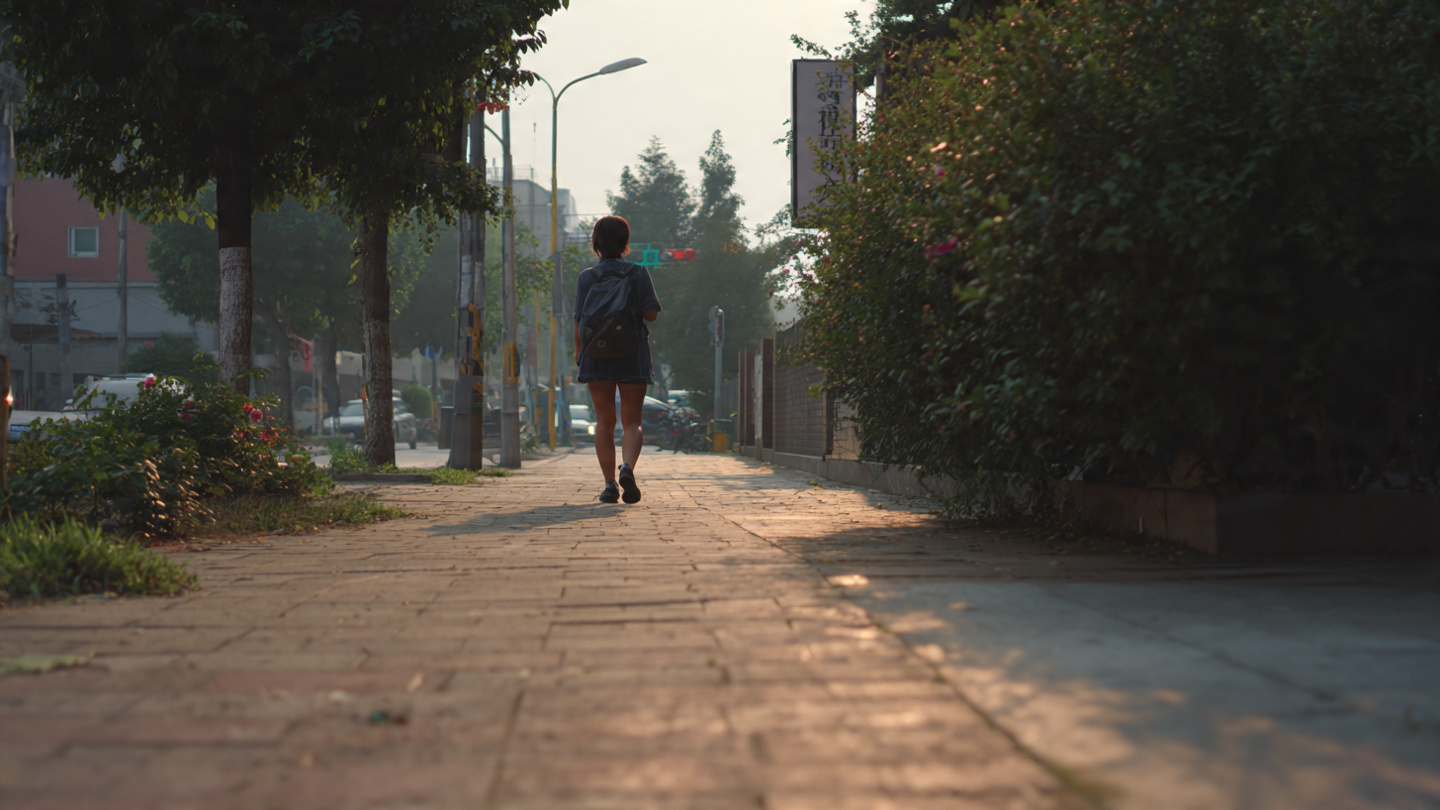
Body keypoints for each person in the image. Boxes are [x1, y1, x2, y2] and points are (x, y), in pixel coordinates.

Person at [573, 215, 661, 504]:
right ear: (626, 243)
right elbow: (651, 314)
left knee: (604, 421)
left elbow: (579, 320)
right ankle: (627, 468)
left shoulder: (586, 277)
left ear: (596, 243)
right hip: (632, 351)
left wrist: (579, 351)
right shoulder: (637, 273)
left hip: (595, 353)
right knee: (632, 420)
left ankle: (610, 485)